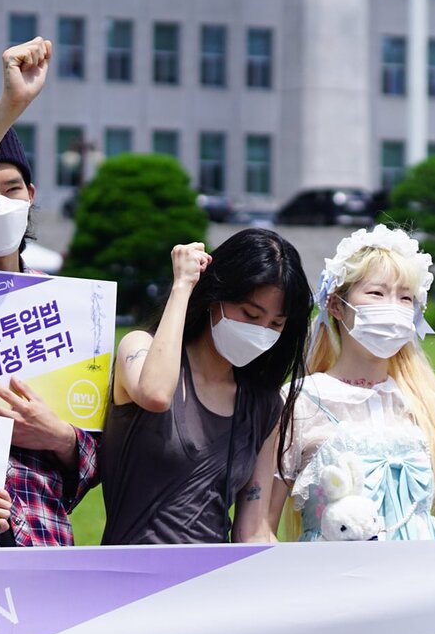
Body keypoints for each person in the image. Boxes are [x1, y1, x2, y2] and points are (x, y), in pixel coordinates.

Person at [232, 227, 435, 542]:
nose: (393, 306)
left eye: (405, 297)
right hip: (333, 583)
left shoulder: (423, 405)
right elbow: (258, 528)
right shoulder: (300, 400)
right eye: (376, 293)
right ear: (335, 304)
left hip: (422, 581)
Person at [99, 229, 312, 544]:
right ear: (215, 297)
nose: (261, 332)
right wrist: (183, 286)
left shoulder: (263, 405)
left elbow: (251, 530)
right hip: (131, 582)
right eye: (251, 315)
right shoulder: (138, 347)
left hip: (209, 587)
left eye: (275, 325)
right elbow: (155, 394)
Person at [0, 36, 101, 547]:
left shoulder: (71, 309)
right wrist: (9, 108)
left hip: (43, 538)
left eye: (10, 188)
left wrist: (57, 436)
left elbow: (99, 455)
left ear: (31, 195)